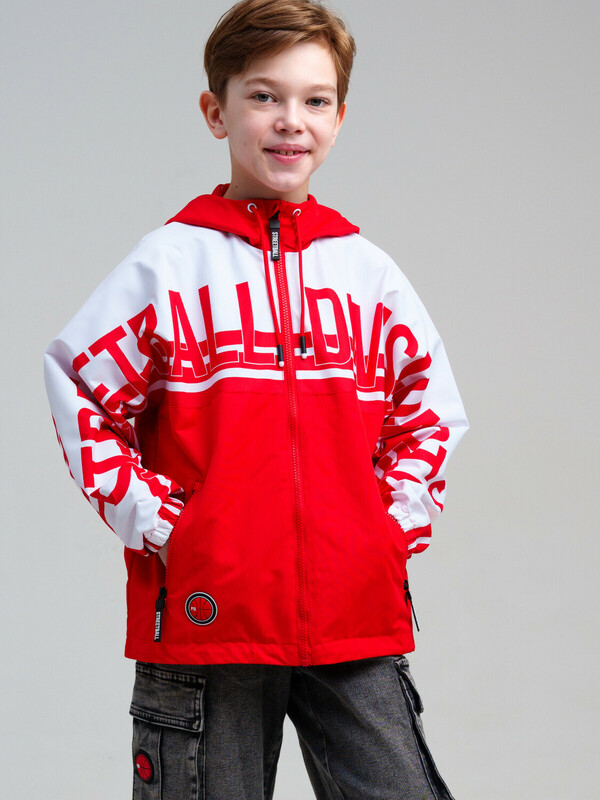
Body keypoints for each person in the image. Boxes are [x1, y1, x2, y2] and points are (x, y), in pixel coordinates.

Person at [44, 0, 468, 797]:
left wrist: (386, 531)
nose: (290, 121)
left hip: (352, 614)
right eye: (264, 96)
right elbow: (79, 386)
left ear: (339, 118)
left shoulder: (367, 274)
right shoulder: (169, 266)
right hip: (209, 618)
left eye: (314, 100)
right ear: (217, 111)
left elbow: (429, 410)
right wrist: (169, 528)